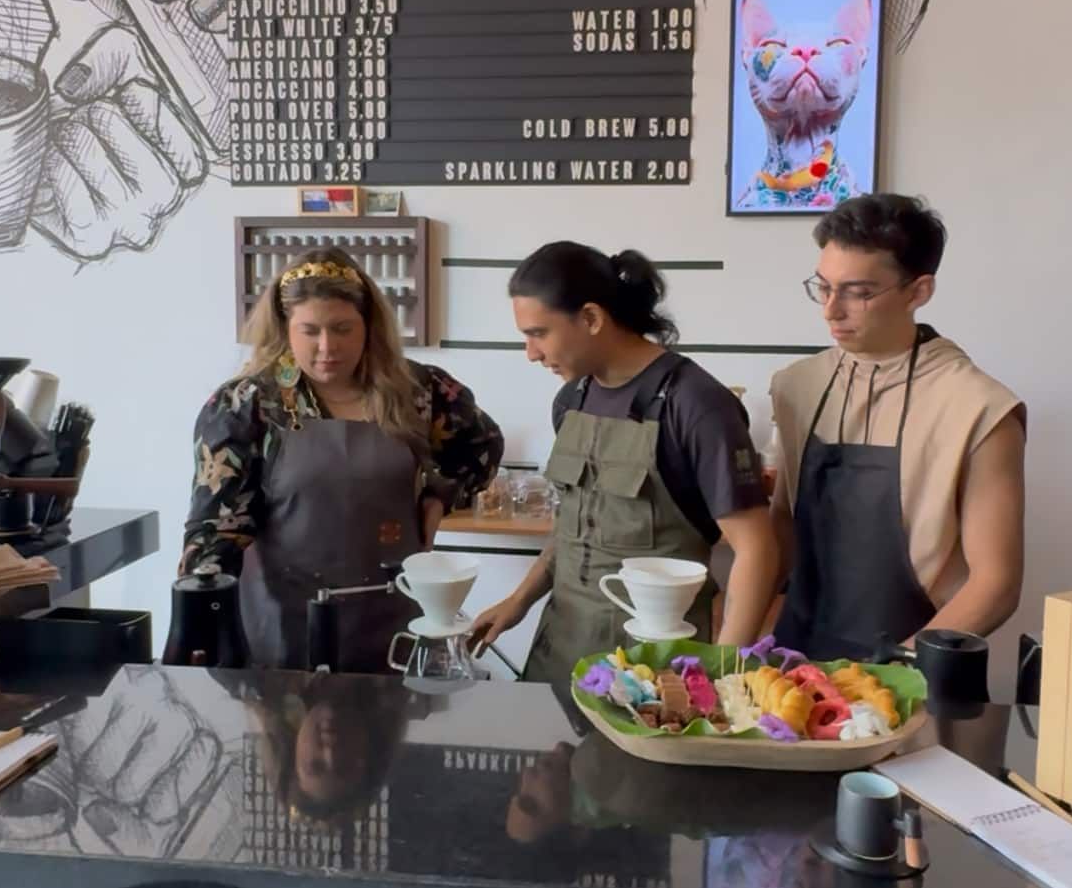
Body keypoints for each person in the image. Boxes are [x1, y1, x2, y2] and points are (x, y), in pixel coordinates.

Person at [180, 247, 503, 671]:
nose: (326, 347)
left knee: (387, 734)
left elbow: (482, 449)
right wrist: (203, 627)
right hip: (281, 622)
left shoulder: (419, 392)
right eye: (309, 331)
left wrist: (439, 496)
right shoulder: (247, 406)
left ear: (369, 326)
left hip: (392, 616)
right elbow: (216, 529)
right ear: (284, 329)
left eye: (342, 328)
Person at [470, 242, 779, 685]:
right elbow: (575, 525)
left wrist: (726, 672)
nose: (531, 353)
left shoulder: (696, 404)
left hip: (655, 667)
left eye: (539, 333)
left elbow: (756, 548)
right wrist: (519, 601)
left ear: (592, 318)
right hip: (559, 650)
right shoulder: (571, 400)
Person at [769, 193, 1026, 660]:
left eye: (859, 292)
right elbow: (782, 528)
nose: (831, 310)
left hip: (912, 672)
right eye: (823, 287)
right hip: (795, 656)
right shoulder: (796, 387)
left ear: (919, 291)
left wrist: (890, 672)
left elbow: (996, 583)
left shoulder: (978, 408)